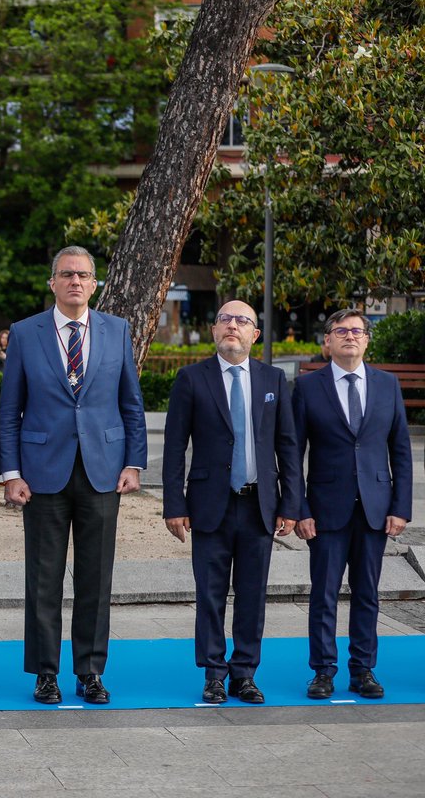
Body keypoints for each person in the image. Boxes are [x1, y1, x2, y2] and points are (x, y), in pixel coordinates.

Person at [0, 246, 146, 705]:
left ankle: (90, 671)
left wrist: (133, 463)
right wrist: (11, 473)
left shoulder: (117, 330)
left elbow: (131, 404)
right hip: (42, 474)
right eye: (66, 274)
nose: (75, 282)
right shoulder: (26, 333)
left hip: (104, 472)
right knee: (43, 579)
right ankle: (45, 672)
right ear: (53, 283)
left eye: (83, 275)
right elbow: (10, 412)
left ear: (94, 284)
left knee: (95, 579)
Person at [162, 300, 301, 704]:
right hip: (209, 504)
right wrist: (174, 504)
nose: (232, 326)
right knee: (209, 594)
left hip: (260, 505)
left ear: (255, 334)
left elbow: (288, 447)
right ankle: (214, 674)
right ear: (213, 330)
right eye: (225, 319)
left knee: (253, 594)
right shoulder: (191, 379)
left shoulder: (273, 379)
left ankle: (245, 674)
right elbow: (174, 448)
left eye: (242, 321)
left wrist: (291, 504)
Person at [294, 308, 413, 700]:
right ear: (327, 341)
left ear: (366, 340)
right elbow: (293, 453)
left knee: (367, 593)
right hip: (326, 509)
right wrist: (300, 509)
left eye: (357, 331)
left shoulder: (387, 385)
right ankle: (323, 671)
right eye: (340, 331)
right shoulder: (308, 388)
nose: (349, 336)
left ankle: (363, 669)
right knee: (323, 593)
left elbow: (400, 451)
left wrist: (400, 506)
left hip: (376, 508)